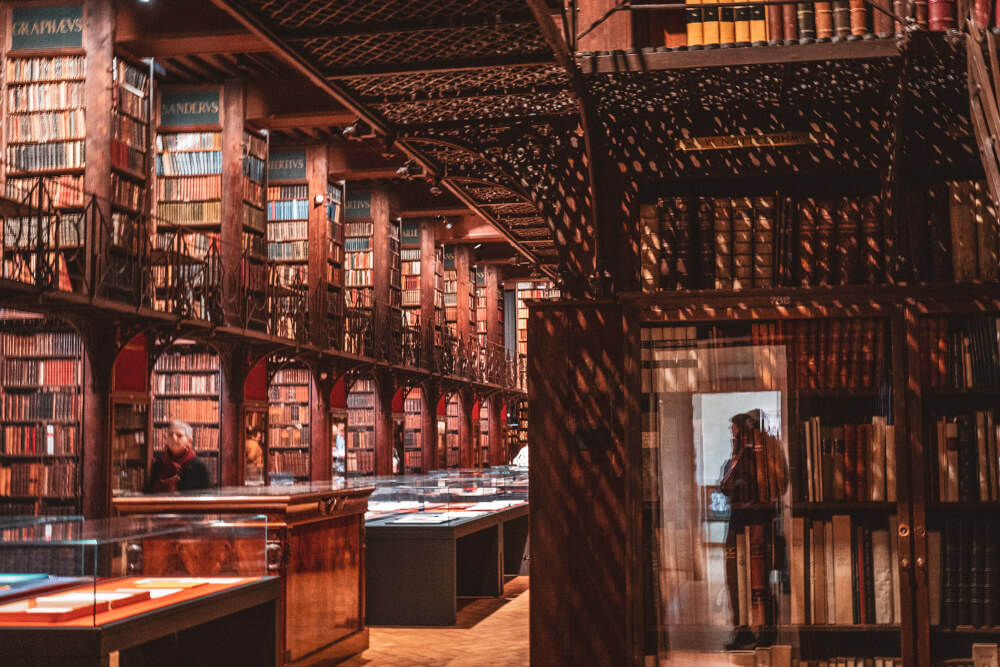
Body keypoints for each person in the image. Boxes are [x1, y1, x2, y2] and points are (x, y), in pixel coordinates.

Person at [145, 420, 211, 493]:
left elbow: (206, 497)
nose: (174, 438)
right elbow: (149, 493)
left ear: (189, 441)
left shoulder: (198, 466)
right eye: (170, 435)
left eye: (179, 435)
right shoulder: (158, 464)